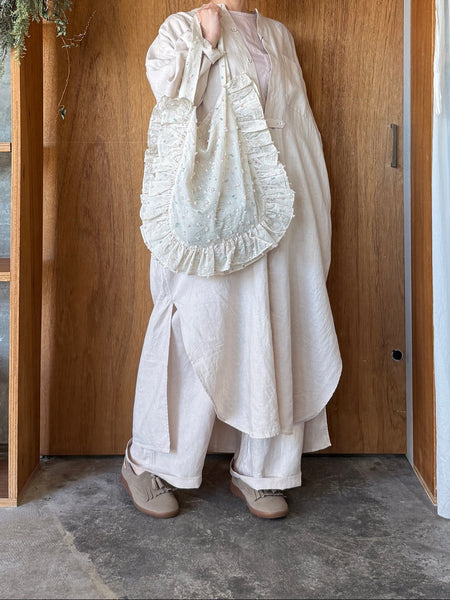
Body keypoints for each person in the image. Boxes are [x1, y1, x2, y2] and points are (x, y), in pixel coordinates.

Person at [121, 0, 342, 519]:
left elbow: (298, 124)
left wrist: (314, 210)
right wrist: (206, 43)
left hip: (285, 200)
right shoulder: (185, 25)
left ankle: (264, 469)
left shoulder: (280, 36)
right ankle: (150, 462)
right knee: (197, 322)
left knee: (279, 324)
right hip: (215, 205)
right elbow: (169, 99)